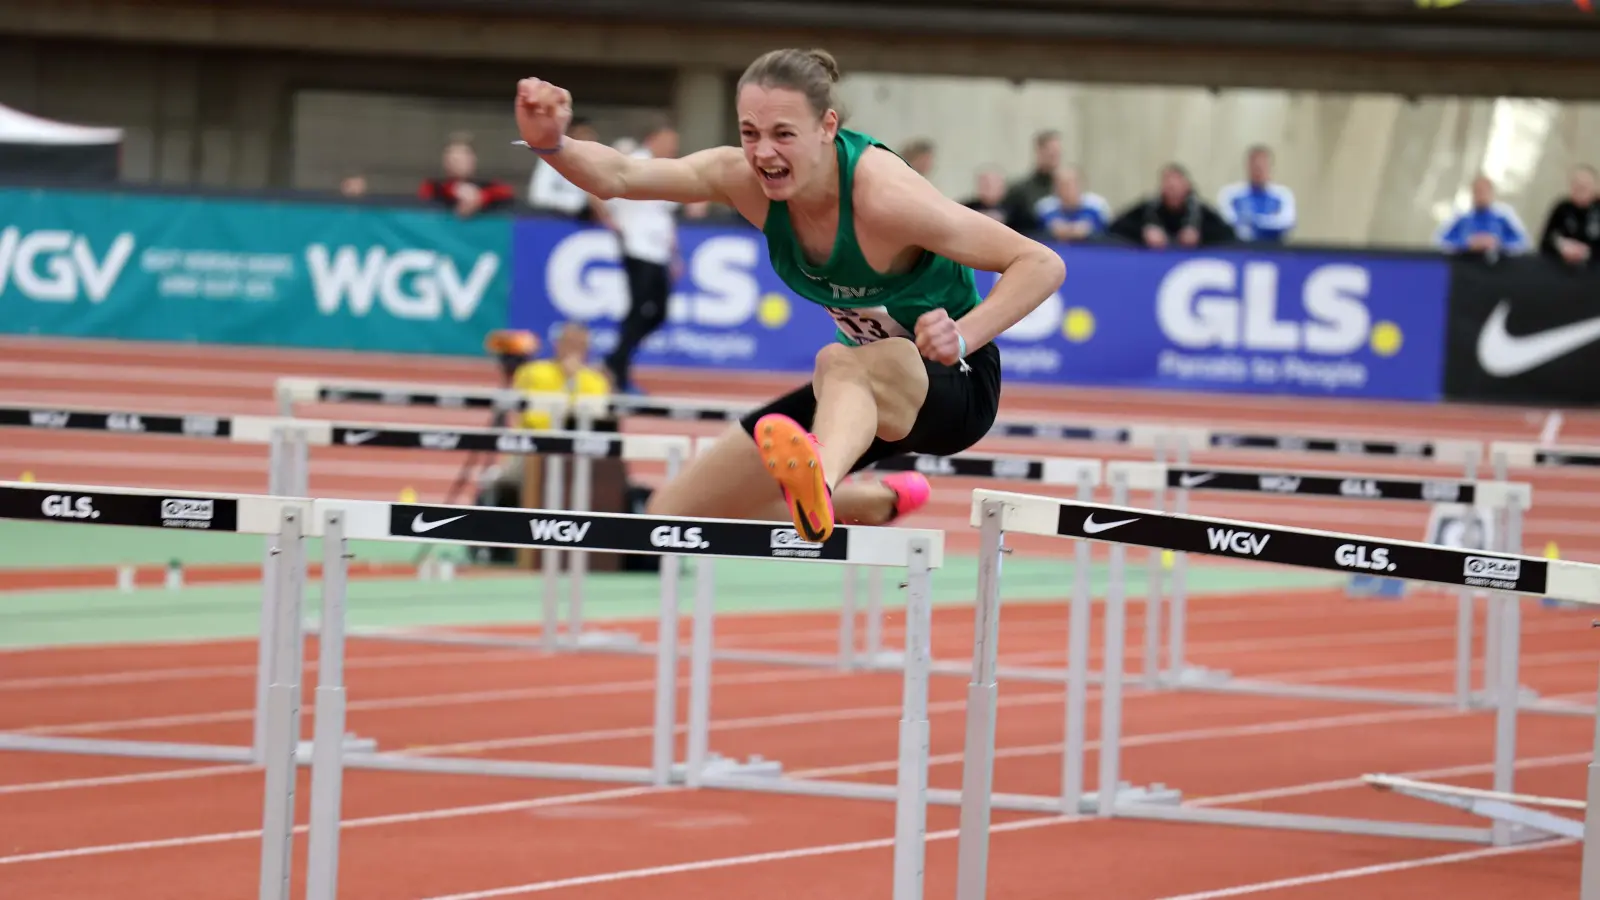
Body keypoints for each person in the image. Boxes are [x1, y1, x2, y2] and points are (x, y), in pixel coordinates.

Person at [512, 48, 1065, 542]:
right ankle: (866, 500)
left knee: (838, 362)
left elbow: (1040, 263)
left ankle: (819, 476)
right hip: (857, 401)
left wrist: (963, 335)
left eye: (783, 134)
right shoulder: (741, 180)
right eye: (750, 133)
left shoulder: (886, 196)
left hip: (951, 387)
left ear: (827, 127)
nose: (764, 153)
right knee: (674, 512)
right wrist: (552, 143)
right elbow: (621, 176)